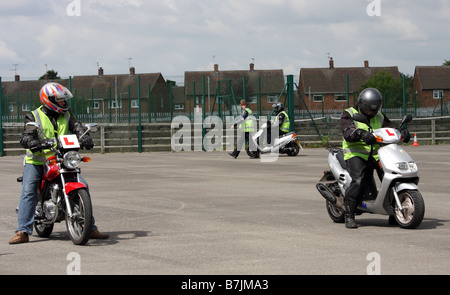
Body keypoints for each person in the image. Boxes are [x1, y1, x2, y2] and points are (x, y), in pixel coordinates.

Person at [9, 82, 109, 244]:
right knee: (29, 191)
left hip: (61, 158)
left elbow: (77, 126)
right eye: (60, 100)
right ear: (48, 100)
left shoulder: (66, 114)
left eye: (64, 100)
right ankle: (23, 231)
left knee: (83, 184)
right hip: (37, 161)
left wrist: (84, 136)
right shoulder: (33, 116)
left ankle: (90, 228)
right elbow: (26, 134)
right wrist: (31, 142)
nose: (63, 103)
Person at [340, 88, 410, 229]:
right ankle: (349, 215)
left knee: (392, 176)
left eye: (374, 109)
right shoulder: (349, 114)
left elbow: (389, 129)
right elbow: (347, 131)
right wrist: (360, 133)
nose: (371, 112)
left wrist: (401, 132)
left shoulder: (379, 116)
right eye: (368, 109)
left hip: (377, 153)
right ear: (361, 104)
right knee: (358, 181)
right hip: (356, 153)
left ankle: (394, 212)